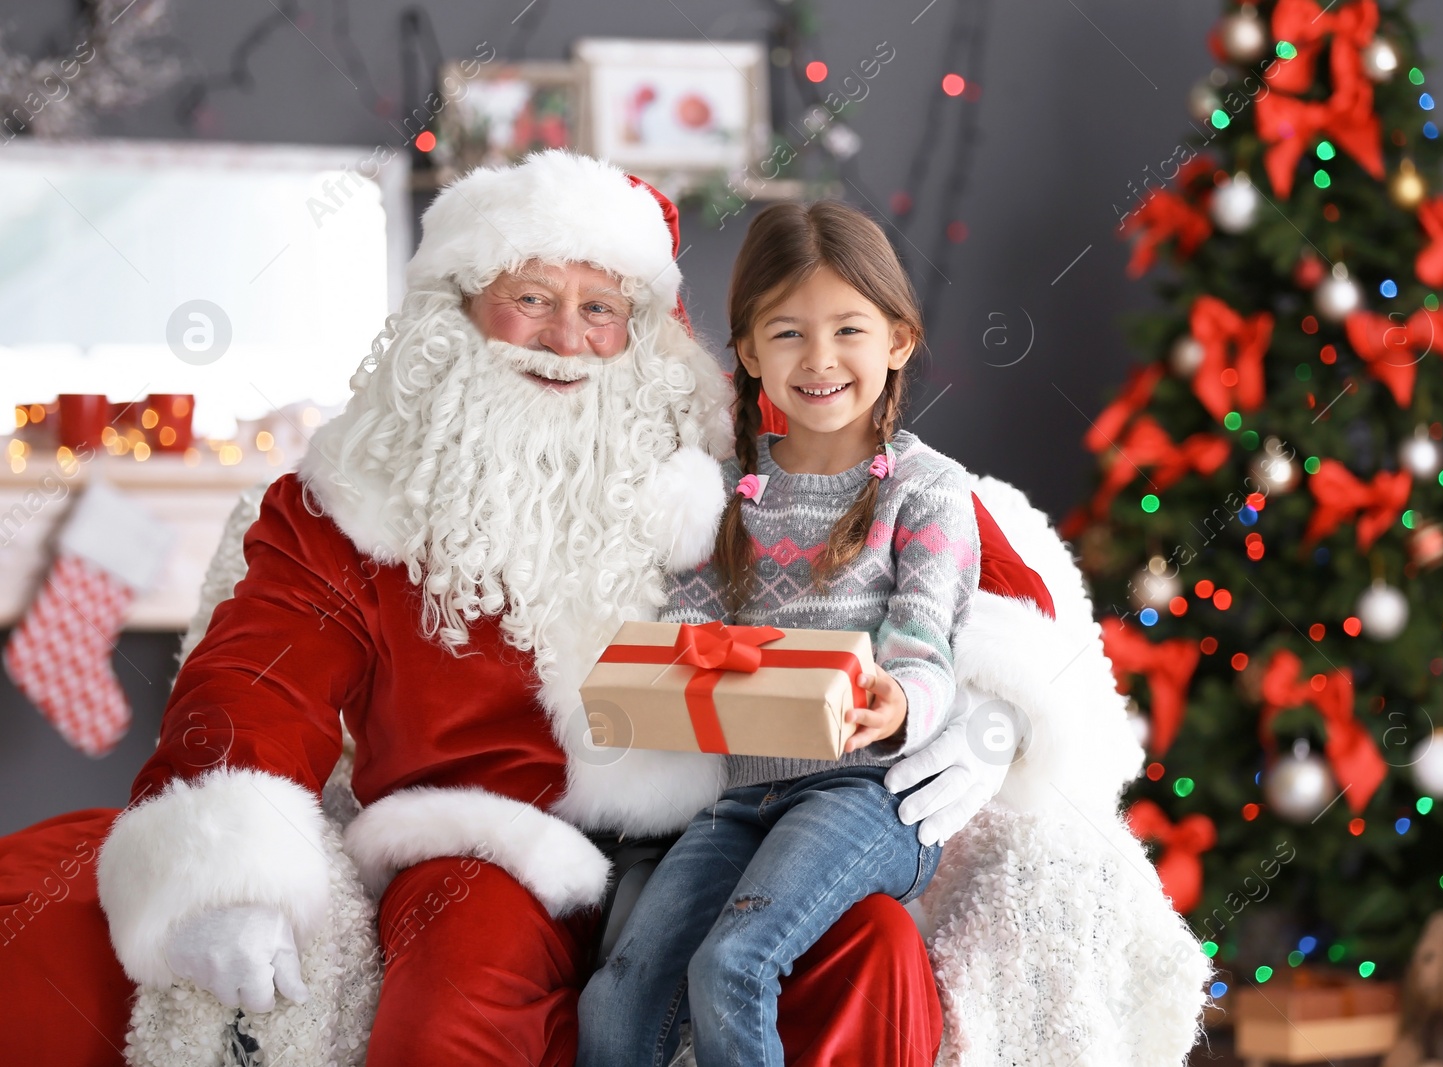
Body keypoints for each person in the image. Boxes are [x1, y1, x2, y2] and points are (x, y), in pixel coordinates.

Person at [0, 151, 1074, 1066]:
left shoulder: (718, 452)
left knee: (872, 947)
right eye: (530, 297)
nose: (565, 338)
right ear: (457, 311)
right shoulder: (358, 494)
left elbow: (966, 554)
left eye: (600, 307)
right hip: (489, 839)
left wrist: (994, 710)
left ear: (639, 331)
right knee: (457, 987)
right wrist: (223, 862)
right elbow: (255, 673)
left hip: (730, 817)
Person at [578, 202, 972, 1066]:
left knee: (734, 962)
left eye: (848, 329)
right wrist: (675, 666)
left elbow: (924, 643)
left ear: (899, 340)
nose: (820, 359)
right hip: (741, 795)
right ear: (751, 352)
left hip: (865, 797)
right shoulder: (724, 488)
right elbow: (690, 617)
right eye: (787, 332)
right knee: (619, 993)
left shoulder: (925, 489)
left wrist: (900, 698)